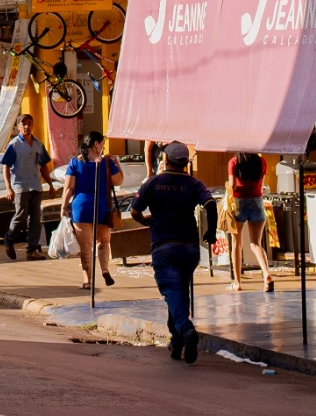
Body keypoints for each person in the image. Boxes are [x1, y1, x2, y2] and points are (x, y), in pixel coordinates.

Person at [130, 143, 215, 362]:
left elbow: (134, 211)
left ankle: (186, 330)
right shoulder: (194, 184)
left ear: (165, 160)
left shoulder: (153, 183)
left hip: (164, 247)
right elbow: (210, 204)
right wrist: (211, 232)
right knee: (179, 291)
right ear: (185, 162)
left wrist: (146, 220)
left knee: (173, 291)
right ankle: (176, 343)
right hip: (189, 249)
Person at [58, 131, 122, 288]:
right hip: (102, 207)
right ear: (96, 144)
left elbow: (69, 188)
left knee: (86, 247)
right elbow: (118, 181)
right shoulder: (107, 162)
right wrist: (117, 164)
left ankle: (87, 281)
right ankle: (105, 269)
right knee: (103, 241)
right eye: (102, 144)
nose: (103, 148)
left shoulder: (75, 162)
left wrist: (64, 206)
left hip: (81, 208)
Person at [0, 114, 51, 261]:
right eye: (23, 124)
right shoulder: (14, 145)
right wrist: (8, 188)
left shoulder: (38, 144)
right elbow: (6, 166)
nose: (27, 126)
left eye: (29, 123)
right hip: (20, 186)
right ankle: (9, 238)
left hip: (36, 186)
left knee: (35, 220)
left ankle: (32, 250)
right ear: (18, 127)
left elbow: (43, 166)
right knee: (21, 216)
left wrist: (50, 184)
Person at [227, 151, 274, 293]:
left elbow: (232, 185)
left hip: (238, 202)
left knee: (236, 243)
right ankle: (266, 274)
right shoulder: (261, 161)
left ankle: (237, 282)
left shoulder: (234, 162)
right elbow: (261, 186)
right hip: (257, 201)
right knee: (256, 243)